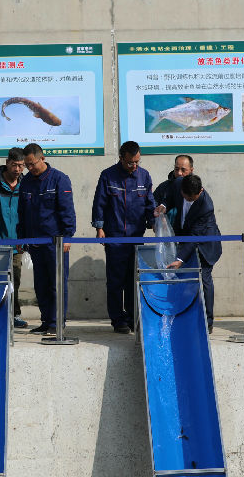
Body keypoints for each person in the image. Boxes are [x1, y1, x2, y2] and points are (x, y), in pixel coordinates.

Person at [92, 141, 155, 333]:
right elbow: (99, 203)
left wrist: (154, 221)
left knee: (133, 279)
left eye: (137, 162)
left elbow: (149, 203)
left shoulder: (144, 176)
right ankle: (118, 319)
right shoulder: (108, 175)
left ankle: (133, 317)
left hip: (136, 236)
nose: (134, 166)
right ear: (121, 158)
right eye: (130, 162)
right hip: (115, 237)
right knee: (115, 280)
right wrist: (100, 228)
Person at [17, 143, 76, 335]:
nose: (30, 168)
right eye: (27, 165)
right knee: (41, 284)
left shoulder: (59, 179)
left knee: (56, 283)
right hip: (35, 242)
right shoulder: (26, 182)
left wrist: (67, 236)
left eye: (32, 163)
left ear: (42, 158)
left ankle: (57, 322)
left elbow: (67, 211)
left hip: (55, 243)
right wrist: (21, 237)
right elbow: (22, 213)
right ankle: (46, 320)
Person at [157, 174, 222, 333]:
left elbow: (195, 236)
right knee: (181, 278)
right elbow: (170, 196)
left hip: (205, 243)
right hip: (184, 237)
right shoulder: (178, 184)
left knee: (204, 279)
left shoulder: (206, 206)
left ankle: (207, 321)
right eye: (188, 197)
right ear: (182, 191)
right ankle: (181, 315)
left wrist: (180, 259)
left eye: (194, 198)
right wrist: (164, 205)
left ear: (200, 191)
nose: (190, 200)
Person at [0, 147, 28, 329]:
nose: (18, 169)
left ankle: (14, 314)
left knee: (15, 280)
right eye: (14, 165)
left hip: (17, 243)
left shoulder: (26, 184)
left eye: (21, 165)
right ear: (7, 162)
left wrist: (25, 237)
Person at [154, 154, 193, 224]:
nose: (179, 173)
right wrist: (156, 219)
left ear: (191, 170)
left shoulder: (196, 190)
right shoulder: (163, 187)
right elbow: (153, 205)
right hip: (166, 228)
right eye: (177, 169)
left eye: (183, 170)